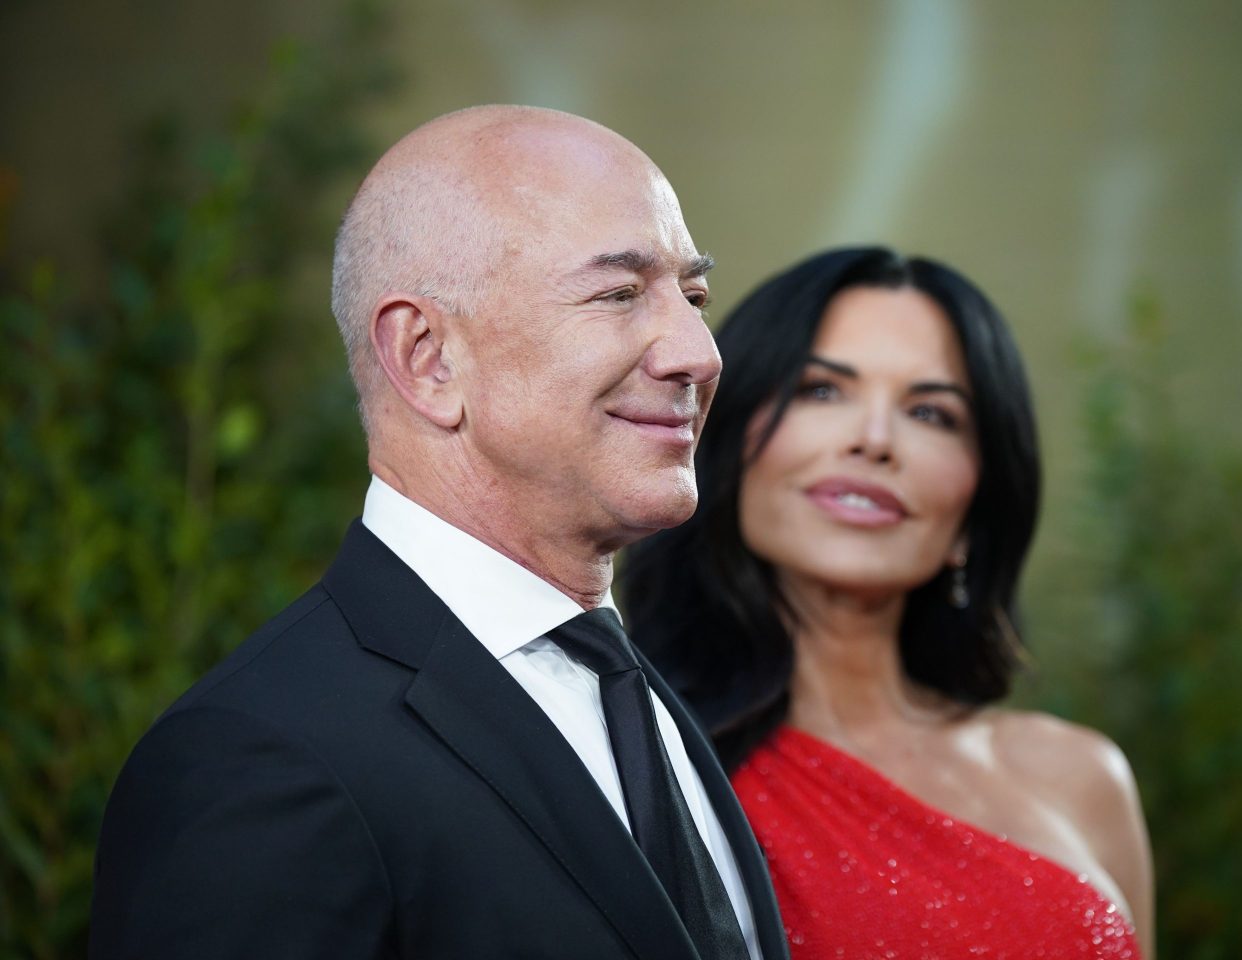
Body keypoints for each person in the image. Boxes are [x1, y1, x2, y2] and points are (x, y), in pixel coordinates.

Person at [89, 106, 789, 960]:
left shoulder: (632, 688)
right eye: (618, 294)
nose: (699, 353)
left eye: (694, 297)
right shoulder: (258, 757)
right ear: (427, 358)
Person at [623, 247, 1154, 959]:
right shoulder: (641, 764)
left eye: (931, 413)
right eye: (821, 390)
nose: (874, 441)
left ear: (974, 512)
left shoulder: (1080, 778)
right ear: (724, 444)